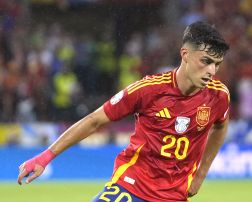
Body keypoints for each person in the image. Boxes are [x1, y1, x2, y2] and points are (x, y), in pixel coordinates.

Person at [17, 21, 230, 202]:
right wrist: (45, 157)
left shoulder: (219, 96)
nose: (211, 71)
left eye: (216, 64)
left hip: (174, 195)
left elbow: (220, 126)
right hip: (131, 186)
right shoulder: (148, 90)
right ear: (185, 54)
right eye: (206, 61)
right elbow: (94, 120)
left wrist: (201, 174)